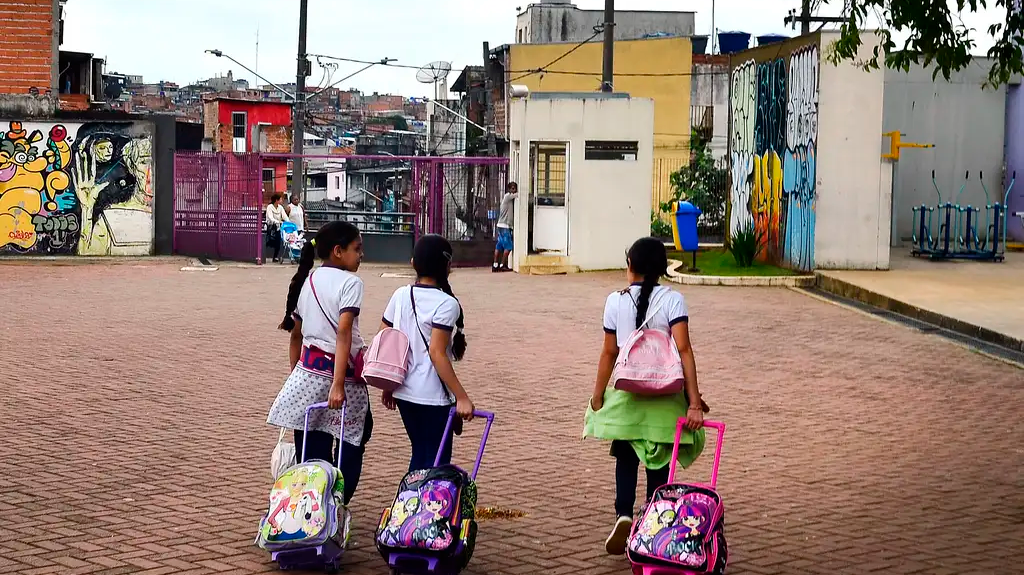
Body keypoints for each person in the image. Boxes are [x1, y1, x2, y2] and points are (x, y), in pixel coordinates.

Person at [584, 236, 708, 556]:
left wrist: (598, 396)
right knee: (659, 462)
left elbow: (609, 352)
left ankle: (623, 513)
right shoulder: (673, 300)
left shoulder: (615, 300)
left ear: (631, 267)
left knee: (625, 454)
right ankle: (654, 521)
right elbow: (684, 350)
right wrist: (694, 402)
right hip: (665, 398)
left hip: (629, 394)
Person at [266, 221, 371, 505]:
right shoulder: (351, 283)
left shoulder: (308, 280)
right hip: (342, 377)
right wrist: (337, 385)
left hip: (306, 374)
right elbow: (343, 332)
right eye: (357, 249)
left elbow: (296, 336)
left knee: (310, 443)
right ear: (338, 251)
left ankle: (308, 506)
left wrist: (295, 375)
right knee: (352, 439)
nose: (361, 255)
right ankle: (335, 505)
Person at [379, 234, 476, 472]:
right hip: (432, 396)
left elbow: (385, 338)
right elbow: (437, 353)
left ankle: (411, 504)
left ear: (414, 263)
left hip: (403, 391)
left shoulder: (401, 294)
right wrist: (462, 396)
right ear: (448, 266)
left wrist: (389, 385)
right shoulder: (446, 304)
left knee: (421, 452)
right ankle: (421, 506)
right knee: (436, 460)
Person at [492, 182, 518, 272]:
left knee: (499, 246)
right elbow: (519, 195)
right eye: (513, 188)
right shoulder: (508, 196)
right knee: (508, 247)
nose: (514, 190)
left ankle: (495, 265)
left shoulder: (507, 198)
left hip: (501, 225)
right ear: (509, 189)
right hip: (505, 226)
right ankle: (502, 265)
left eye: (515, 188)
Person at [265, 193, 287, 262]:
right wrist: (277, 221)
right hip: (270, 227)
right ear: (276, 200)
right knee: (268, 242)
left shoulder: (280, 207)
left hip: (278, 228)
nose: (282, 200)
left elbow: (284, 216)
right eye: (280, 199)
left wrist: (288, 222)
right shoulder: (269, 207)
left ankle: (275, 257)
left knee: (278, 242)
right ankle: (261, 255)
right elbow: (270, 217)